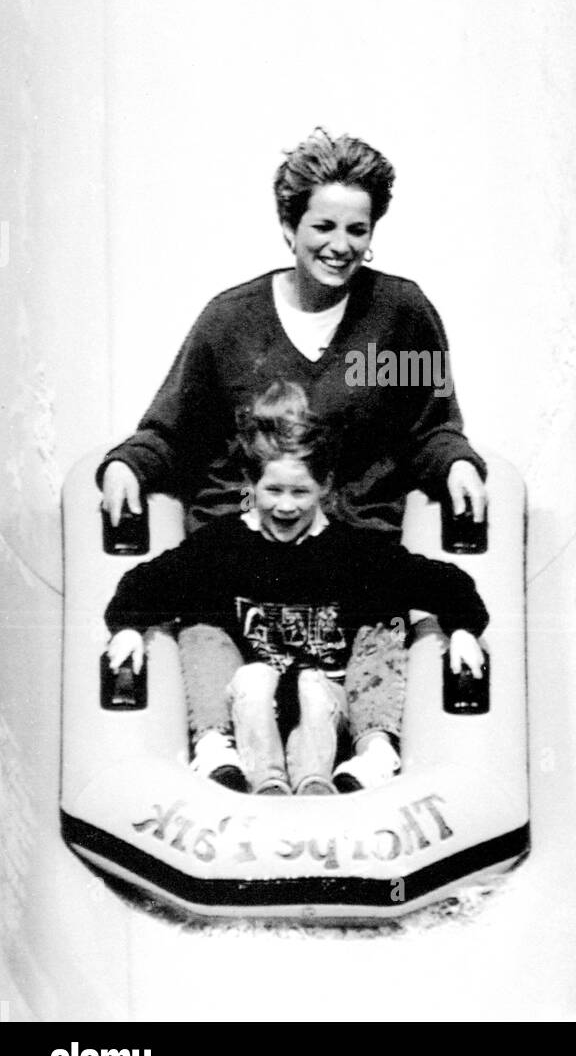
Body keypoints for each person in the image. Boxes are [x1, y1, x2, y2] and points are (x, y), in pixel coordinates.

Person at [98, 127, 487, 788]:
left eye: (357, 230)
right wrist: (126, 465)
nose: (340, 245)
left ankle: (361, 749)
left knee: (370, 638)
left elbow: (431, 423)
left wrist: (453, 461)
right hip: (243, 568)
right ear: (288, 224)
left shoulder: (399, 316)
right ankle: (221, 750)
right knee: (211, 637)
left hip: (347, 558)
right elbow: (174, 430)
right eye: (323, 225)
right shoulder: (231, 323)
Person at [105, 381, 487, 796]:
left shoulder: (352, 550)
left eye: (300, 491)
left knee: (385, 629)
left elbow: (444, 582)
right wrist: (127, 628)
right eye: (274, 490)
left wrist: (464, 629)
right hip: (249, 704)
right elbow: (147, 582)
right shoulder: (223, 545)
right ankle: (219, 749)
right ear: (251, 484)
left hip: (330, 705)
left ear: (324, 486)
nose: (286, 506)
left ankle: (373, 752)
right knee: (203, 633)